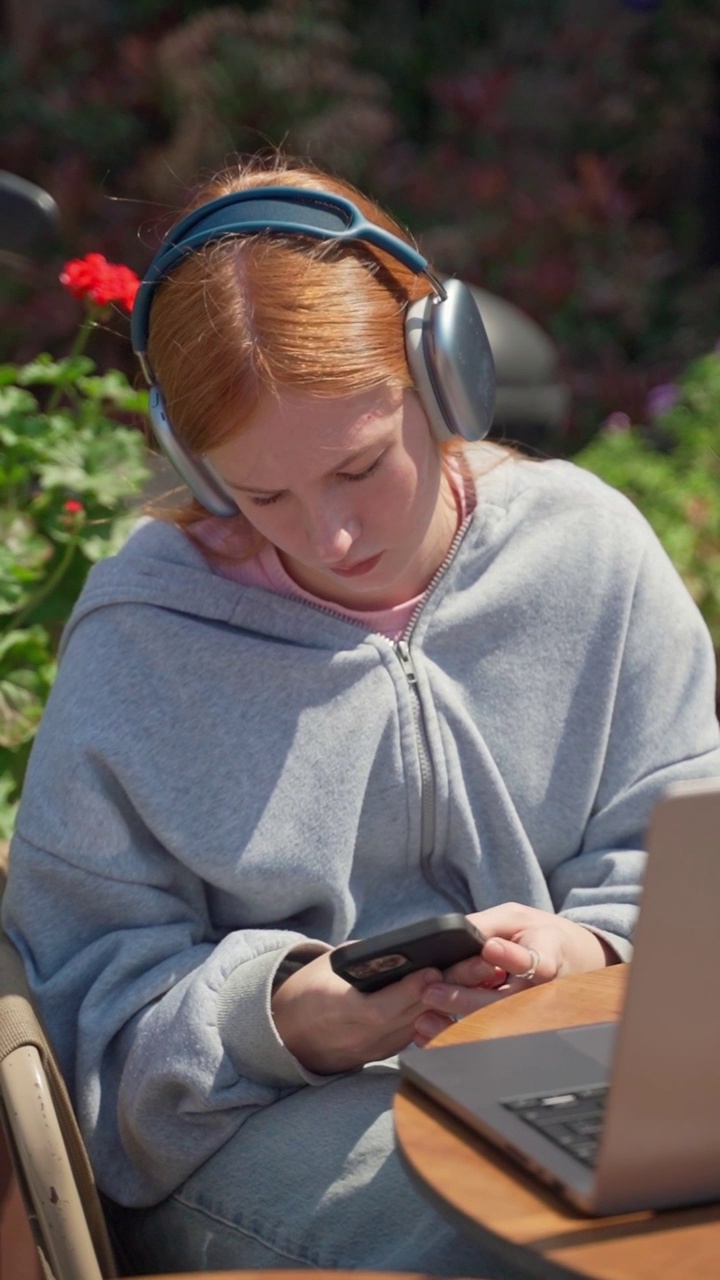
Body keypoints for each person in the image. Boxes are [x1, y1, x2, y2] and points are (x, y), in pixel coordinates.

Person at [4, 154, 720, 1278]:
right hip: (252, 1129)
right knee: (540, 1242)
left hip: (580, 1066)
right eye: (264, 496)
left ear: (446, 377)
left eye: (360, 465)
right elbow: (78, 1019)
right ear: (193, 461)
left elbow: (686, 858)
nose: (329, 537)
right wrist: (281, 1018)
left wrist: (587, 946)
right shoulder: (143, 637)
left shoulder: (588, 548)